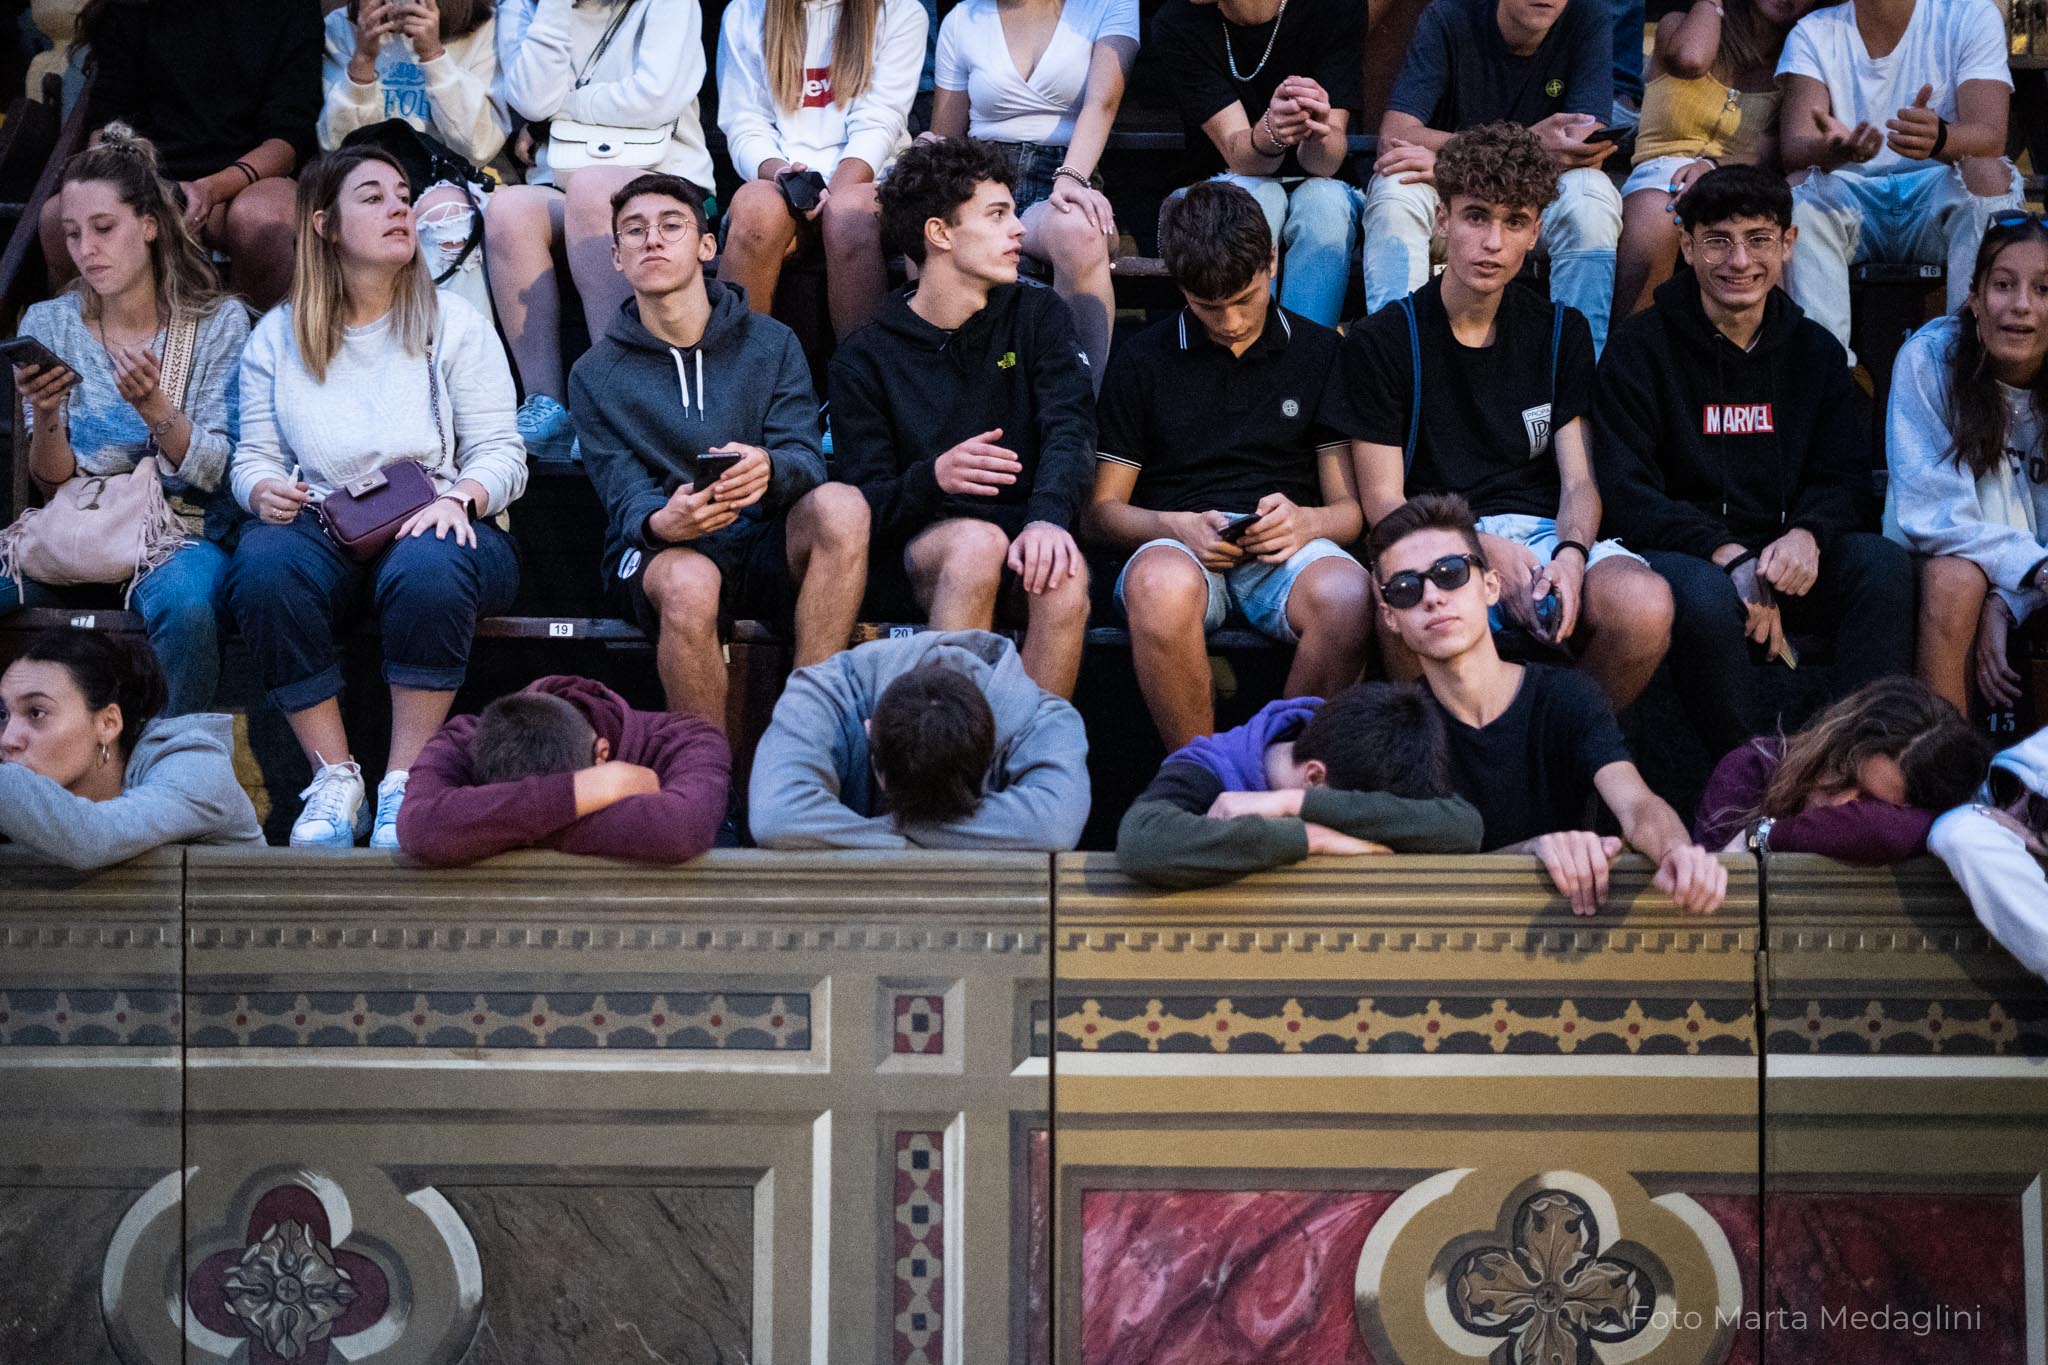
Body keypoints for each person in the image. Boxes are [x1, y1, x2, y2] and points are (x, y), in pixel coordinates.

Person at [226, 146, 527, 849]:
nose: (399, 207)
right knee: (263, 563)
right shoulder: (277, 335)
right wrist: (261, 489)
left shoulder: (454, 320)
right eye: (373, 197)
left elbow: (503, 453)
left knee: (431, 561)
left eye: (402, 194)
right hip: (328, 522)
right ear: (325, 225)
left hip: (441, 514)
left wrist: (463, 499)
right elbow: (253, 458)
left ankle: (404, 784)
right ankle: (335, 780)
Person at [1328, 123, 1673, 712]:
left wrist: (1570, 556)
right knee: (1402, 598)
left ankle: (1555, 741)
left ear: (1535, 232)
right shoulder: (1383, 339)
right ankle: (1435, 754)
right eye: (1476, 217)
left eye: (1514, 222)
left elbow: (1579, 483)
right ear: (1443, 220)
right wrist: (1477, 548)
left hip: (1543, 531)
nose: (1493, 242)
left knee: (1644, 606)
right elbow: (1384, 503)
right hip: (1434, 534)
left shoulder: (1561, 331)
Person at [1596, 165, 1911, 757]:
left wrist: (1808, 533)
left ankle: (1860, 759)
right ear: (1687, 246)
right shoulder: (1638, 349)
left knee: (1882, 566)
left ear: (1788, 244)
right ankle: (1748, 770)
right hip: (1689, 554)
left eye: (1758, 239)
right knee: (1703, 595)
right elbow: (1625, 491)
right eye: (1718, 240)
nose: (1739, 260)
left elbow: (1843, 477)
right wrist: (1728, 555)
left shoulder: (1816, 351)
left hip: (1786, 554)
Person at [570, 173, 871, 728]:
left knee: (844, 506)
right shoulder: (594, 373)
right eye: (634, 231)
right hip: (664, 549)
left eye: (671, 225)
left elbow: (805, 458)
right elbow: (623, 495)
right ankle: (705, 774)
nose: (652, 239)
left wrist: (769, 469)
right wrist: (663, 521)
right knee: (689, 583)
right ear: (616, 257)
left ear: (707, 246)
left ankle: (805, 733)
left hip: (760, 535)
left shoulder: (772, 342)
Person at [1087, 180, 1371, 749]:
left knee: (1349, 597)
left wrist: (1305, 522)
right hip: (1176, 545)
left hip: (1287, 549)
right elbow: (1100, 514)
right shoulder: (1142, 360)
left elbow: (1350, 512)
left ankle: (1281, 767)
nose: (1232, 322)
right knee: (1159, 586)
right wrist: (1176, 527)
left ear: (1272, 263)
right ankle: (1203, 773)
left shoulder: (1320, 353)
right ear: (1181, 289)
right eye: (1208, 307)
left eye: (1245, 299)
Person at [1365, 493, 1728, 914]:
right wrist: (1529, 852)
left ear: (1490, 586)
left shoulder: (1565, 697)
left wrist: (1675, 852)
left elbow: (1637, 804)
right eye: (1406, 589)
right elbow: (1407, 882)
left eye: (1450, 573)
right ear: (1389, 617)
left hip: (1566, 930)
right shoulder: (1388, 728)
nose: (1432, 596)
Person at [828, 137, 1095, 697]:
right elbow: (864, 504)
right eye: (996, 215)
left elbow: (1070, 430)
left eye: (1014, 213)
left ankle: (1030, 749)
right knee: (975, 546)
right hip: (921, 549)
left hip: (1024, 531)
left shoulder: (1037, 315)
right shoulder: (865, 357)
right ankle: (941, 741)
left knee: (1064, 579)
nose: (1018, 230)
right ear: (940, 233)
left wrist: (1047, 520)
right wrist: (935, 478)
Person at [2, 130, 251, 716]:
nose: (86, 249)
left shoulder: (216, 322)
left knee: (188, 605)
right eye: (72, 234)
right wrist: (46, 412)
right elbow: (52, 483)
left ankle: (175, 756)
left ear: (150, 225)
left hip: (178, 533)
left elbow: (223, 472)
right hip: (75, 525)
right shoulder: (50, 322)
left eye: (103, 228)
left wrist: (157, 410)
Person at [490, 0, 717, 458]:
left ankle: (614, 396)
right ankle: (546, 403)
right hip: (562, 181)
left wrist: (561, 111)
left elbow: (654, 99)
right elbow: (531, 100)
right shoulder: (526, 7)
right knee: (508, 208)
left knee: (592, 190)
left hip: (666, 177)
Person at [1364, 0, 1623, 350]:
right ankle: (1396, 358)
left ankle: (1577, 365)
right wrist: (1526, 143)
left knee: (1592, 195)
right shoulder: (1451, 14)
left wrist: (1459, 157)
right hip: (1454, 198)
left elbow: (1586, 149)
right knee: (1396, 188)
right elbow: (1396, 134)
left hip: (1530, 204)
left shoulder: (1587, 15)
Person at [1775, 0, 2019, 360]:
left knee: (1988, 175)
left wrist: (1941, 139)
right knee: (1801, 191)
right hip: (1853, 203)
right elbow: (1795, 147)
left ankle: (1971, 359)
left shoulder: (1970, 15)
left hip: (1937, 202)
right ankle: (1824, 369)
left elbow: (1991, 136)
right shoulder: (1813, 31)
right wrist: (1837, 150)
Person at [1884, 213, 2048, 715]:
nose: (2022, 305)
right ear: (1974, 297)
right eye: (2003, 285)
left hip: (2037, 573)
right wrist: (2030, 570)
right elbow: (1934, 515)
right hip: (1943, 554)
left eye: (2044, 289)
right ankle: (1946, 759)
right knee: (1955, 579)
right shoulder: (1929, 359)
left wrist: (2010, 599)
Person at [60, 0, 324, 309]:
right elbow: (107, 121)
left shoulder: (291, 8)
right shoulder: (130, 9)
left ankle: (262, 336)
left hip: (252, 176)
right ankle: (94, 336)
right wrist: (126, 188)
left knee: (260, 218)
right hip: (149, 172)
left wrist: (210, 189)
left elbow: (286, 142)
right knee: (60, 216)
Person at [926, 0, 1139, 378]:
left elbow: (1103, 103)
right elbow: (946, 134)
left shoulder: (1108, 5)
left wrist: (1070, 177)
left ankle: (1078, 399)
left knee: (1080, 231)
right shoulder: (963, 17)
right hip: (983, 174)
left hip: (1067, 165)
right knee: (932, 222)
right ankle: (940, 384)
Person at [1115, 683, 1486, 888]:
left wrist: (1292, 804)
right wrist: (1312, 838)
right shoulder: (1207, 766)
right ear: (1314, 776)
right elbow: (1142, 841)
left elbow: (1463, 825)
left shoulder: (1370, 744)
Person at [747, 629, 1091, 848]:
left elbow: (1054, 826)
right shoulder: (823, 693)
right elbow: (777, 818)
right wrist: (939, 841)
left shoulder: (1045, 720)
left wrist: (877, 837)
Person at [716, 0, 928, 339]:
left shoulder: (901, 11)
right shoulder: (746, 11)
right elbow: (745, 123)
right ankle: (733, 364)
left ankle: (861, 370)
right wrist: (786, 178)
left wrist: (830, 198)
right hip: (784, 183)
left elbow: (879, 123)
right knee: (757, 209)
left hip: (868, 181)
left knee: (847, 215)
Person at [1147, 0, 1364, 327]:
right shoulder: (1178, 20)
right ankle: (1248, 349)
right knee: (1258, 198)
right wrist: (1272, 131)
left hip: (1322, 183)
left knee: (1326, 204)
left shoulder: (1336, 8)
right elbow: (1238, 153)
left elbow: (1326, 163)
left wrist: (1316, 129)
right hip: (1221, 182)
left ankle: (1309, 351)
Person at [396, 674, 731, 864]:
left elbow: (681, 829)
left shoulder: (687, 737)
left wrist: (488, 828)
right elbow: (421, 828)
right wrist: (593, 790)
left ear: (603, 754)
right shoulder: (468, 738)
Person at [0, 629, 263, 868]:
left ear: (108, 723)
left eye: (36, 713)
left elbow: (94, 837)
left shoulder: (193, 765)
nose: (7, 739)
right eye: (3, 715)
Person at [1612, 0, 1806, 317]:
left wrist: (1713, 169)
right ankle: (1632, 342)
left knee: (1761, 234)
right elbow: (1691, 60)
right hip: (1660, 170)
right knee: (1657, 216)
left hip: (1739, 177)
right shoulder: (1678, 26)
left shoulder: (1798, 62)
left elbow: (1770, 150)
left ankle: (1766, 344)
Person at [319, 0, 513, 316]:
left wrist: (433, 55)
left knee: (446, 212)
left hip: (456, 184)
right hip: (372, 185)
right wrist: (364, 60)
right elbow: (337, 150)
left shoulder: (485, 27)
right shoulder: (341, 28)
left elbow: (479, 148)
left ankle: (462, 341)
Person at [1694, 676, 1989, 861]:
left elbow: (1883, 831)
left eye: (1870, 802)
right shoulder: (1752, 771)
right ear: (1831, 742)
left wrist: (1763, 835)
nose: (1840, 803)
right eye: (1842, 772)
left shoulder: (1912, 825)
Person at [1930, 726, 2048, 982]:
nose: (2012, 814)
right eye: (2008, 787)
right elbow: (1962, 836)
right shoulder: (1980, 818)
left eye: (2042, 811)